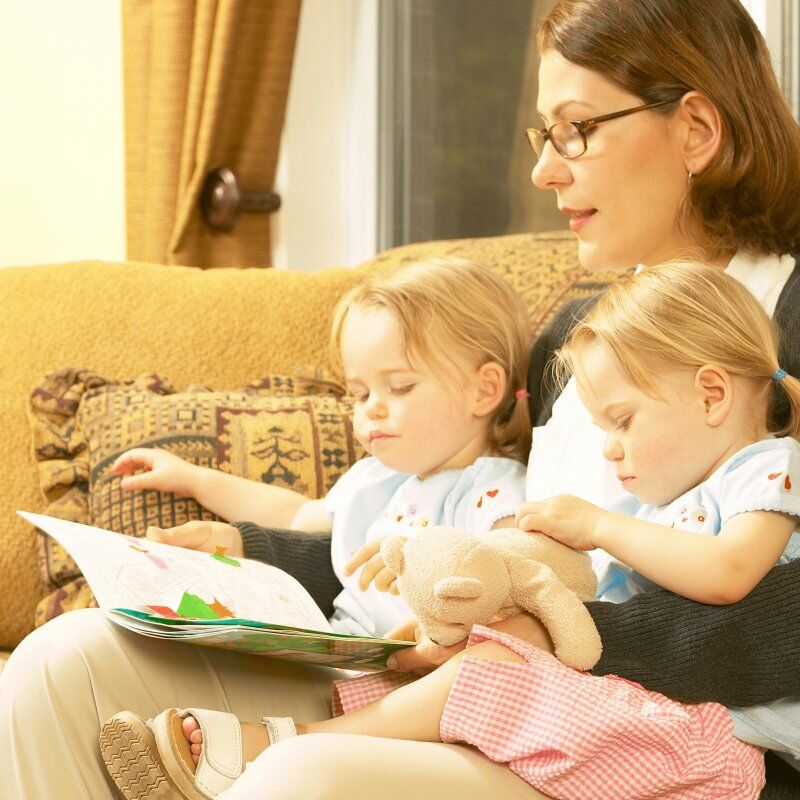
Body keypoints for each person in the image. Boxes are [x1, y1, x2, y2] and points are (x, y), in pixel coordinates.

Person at [1, 0, 799, 798]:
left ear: (696, 130)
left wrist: (546, 633)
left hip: (656, 741)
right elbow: (465, 518)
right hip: (491, 683)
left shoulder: (785, 326)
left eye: (577, 130)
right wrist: (260, 557)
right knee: (68, 666)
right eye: (544, 135)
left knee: (303, 776)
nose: (544, 171)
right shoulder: (571, 340)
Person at [105, 262, 800, 800]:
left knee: (491, 665)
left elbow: (728, 574)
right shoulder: (665, 501)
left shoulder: (770, 467)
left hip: (714, 749)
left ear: (713, 395)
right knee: (470, 663)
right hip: (662, 717)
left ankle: (282, 745)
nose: (610, 450)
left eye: (621, 422)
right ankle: (277, 745)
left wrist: (597, 526)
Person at [111, 258, 532, 643]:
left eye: (400, 387)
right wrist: (193, 479)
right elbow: (294, 514)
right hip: (338, 650)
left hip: (413, 674)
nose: (371, 408)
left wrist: (429, 566)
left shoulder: (494, 491)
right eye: (360, 393)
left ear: (484, 390)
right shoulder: (377, 478)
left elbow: (516, 579)